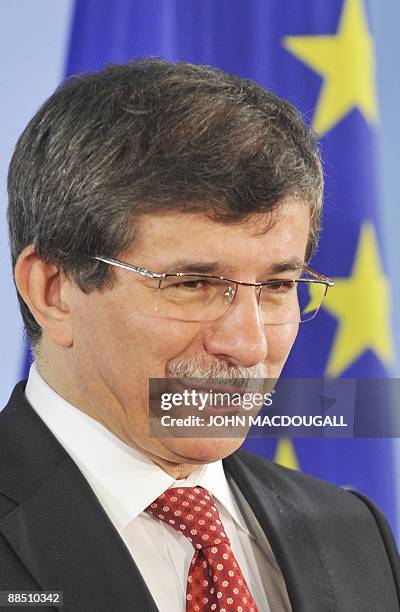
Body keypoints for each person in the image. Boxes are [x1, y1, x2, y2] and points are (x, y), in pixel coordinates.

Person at [0, 58, 398, 612]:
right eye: (193, 284)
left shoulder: (353, 532)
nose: (249, 345)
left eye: (278, 285)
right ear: (53, 290)